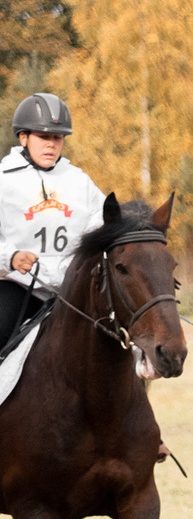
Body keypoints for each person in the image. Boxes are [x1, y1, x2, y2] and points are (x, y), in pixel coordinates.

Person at [0, 93, 109, 352]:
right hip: (18, 286)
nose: (51, 145)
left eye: (57, 138)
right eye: (43, 137)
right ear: (23, 137)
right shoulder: (3, 181)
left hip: (71, 289)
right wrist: (10, 258)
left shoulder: (79, 180)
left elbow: (105, 222)